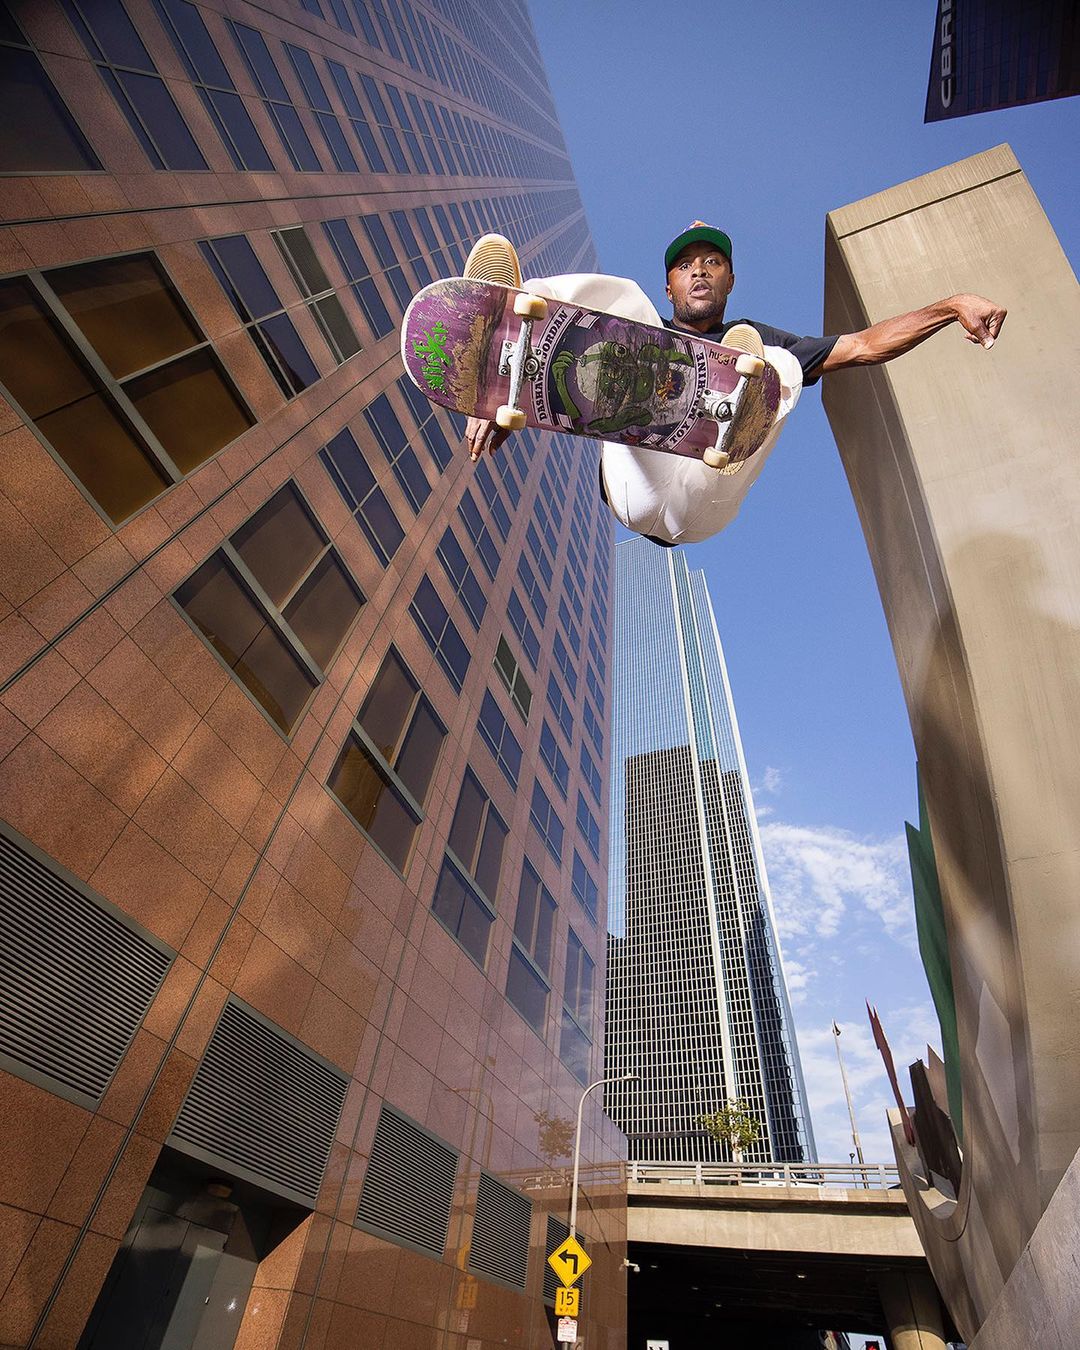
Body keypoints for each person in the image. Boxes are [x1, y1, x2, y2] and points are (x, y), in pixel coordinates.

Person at [461, 224, 1007, 545]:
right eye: (686, 266)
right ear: (671, 286)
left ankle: (734, 415)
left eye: (713, 263)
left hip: (706, 495)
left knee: (774, 361)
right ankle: (508, 335)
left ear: (730, 280)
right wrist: (497, 397)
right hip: (636, 484)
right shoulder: (645, 325)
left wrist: (950, 305)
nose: (699, 271)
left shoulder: (756, 339)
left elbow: (862, 345)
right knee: (625, 309)